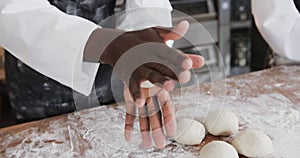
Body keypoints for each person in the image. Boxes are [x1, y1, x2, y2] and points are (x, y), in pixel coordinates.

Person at [0, 0, 205, 149]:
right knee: (40, 147)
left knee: (102, 142)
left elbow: (147, 3)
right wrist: (108, 45)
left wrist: (147, 50)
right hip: (37, 74)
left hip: (112, 68)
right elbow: (9, 8)